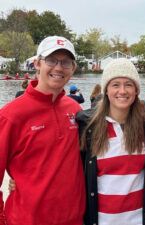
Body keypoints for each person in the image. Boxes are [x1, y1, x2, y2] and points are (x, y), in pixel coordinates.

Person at [0, 36, 85, 225]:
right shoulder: (10, 115)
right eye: (51, 60)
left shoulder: (76, 110)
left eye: (65, 62)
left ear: (73, 68)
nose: (58, 67)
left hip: (74, 220)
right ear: (37, 63)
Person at [76, 58, 145, 225]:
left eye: (128, 84)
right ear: (106, 90)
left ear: (136, 91)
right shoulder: (87, 127)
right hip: (103, 220)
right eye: (115, 85)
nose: (122, 91)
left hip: (139, 220)